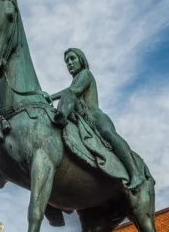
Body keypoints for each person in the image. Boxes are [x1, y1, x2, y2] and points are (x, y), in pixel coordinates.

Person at [50, 48, 145, 190]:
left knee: (109, 135)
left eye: (72, 58)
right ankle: (62, 118)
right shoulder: (72, 84)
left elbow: (73, 91)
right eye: (67, 61)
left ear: (81, 60)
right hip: (82, 119)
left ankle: (135, 174)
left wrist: (50, 97)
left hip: (96, 117)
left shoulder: (86, 74)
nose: (69, 63)